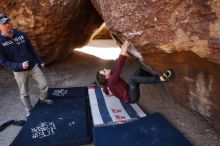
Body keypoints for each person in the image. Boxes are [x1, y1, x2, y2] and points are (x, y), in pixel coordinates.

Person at [0, 13, 53, 117]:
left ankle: (43, 99)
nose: (7, 24)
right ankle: (29, 109)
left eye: (7, 21)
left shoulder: (20, 34)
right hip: (19, 71)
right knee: (24, 92)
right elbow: (3, 61)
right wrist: (19, 65)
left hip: (33, 66)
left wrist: (39, 61)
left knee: (44, 84)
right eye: (3, 23)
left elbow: (31, 49)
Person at [96, 40, 174, 104]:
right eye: (104, 71)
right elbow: (119, 66)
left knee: (139, 71)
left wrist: (107, 93)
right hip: (131, 98)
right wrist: (125, 48)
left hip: (129, 89)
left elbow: (104, 84)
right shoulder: (111, 81)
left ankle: (154, 77)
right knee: (133, 79)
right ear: (106, 77)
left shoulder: (108, 78)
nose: (105, 69)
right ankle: (161, 79)